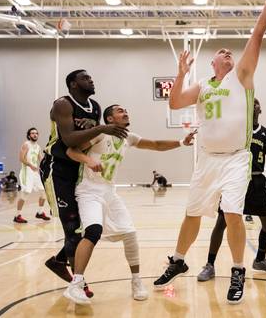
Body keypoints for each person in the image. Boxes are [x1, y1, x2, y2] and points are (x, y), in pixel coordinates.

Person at [153, 0, 266, 305]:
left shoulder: (242, 76)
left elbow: (258, 32)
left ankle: (238, 269)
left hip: (237, 158)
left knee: (233, 214)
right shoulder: (204, 85)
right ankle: (178, 261)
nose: (227, 52)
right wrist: (181, 73)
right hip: (207, 158)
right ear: (211, 62)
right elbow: (175, 103)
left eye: (230, 51)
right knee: (192, 213)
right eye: (221, 51)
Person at [62, 104, 196, 304]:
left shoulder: (128, 137)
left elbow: (156, 144)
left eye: (126, 109)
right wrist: (88, 161)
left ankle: (136, 281)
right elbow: (72, 152)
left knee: (130, 233)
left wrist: (181, 142)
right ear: (109, 119)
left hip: (109, 191)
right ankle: (76, 283)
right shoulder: (99, 135)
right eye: (119, 111)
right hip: (89, 191)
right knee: (93, 232)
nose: (125, 112)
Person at [40, 69, 128, 297]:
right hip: (56, 168)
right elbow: (69, 140)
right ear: (73, 84)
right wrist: (101, 128)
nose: (91, 80)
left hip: (78, 167)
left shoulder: (95, 107)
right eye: (85, 78)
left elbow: (88, 140)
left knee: (85, 226)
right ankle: (78, 283)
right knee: (72, 227)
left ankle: (59, 261)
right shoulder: (62, 104)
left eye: (90, 77)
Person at [197, 98, 266, 282]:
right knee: (222, 223)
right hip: (236, 180)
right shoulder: (235, 131)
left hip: (258, 181)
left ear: (260, 109)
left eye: (257, 103)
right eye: (250, 103)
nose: (254, 105)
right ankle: (210, 264)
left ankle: (260, 259)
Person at [14, 128, 50, 223]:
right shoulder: (26, 145)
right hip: (27, 172)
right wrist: (31, 165)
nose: (35, 135)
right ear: (29, 135)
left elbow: (41, 160)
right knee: (25, 193)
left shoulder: (38, 147)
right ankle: (17, 215)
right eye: (32, 133)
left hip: (35, 173)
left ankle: (40, 212)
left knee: (43, 192)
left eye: (36, 133)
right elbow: (21, 158)